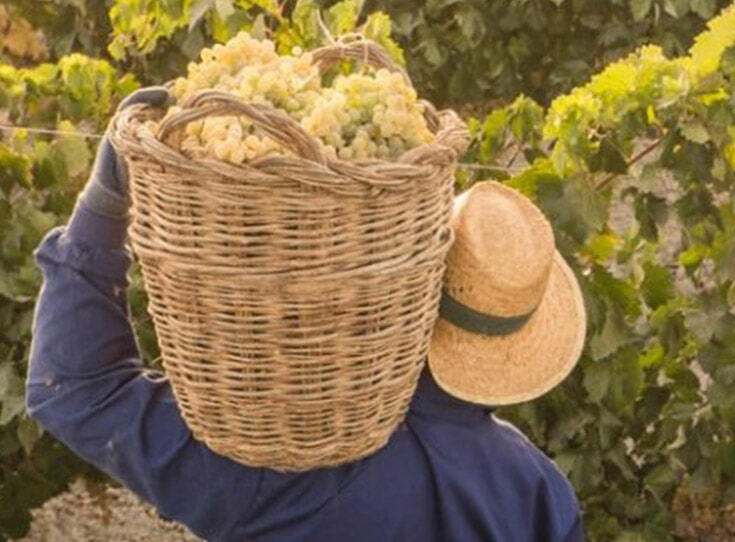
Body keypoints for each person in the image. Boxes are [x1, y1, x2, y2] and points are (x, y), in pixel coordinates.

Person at [26, 87, 587, 541]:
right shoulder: (539, 493)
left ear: (399, 293)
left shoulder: (281, 462)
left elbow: (76, 387)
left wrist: (103, 204)